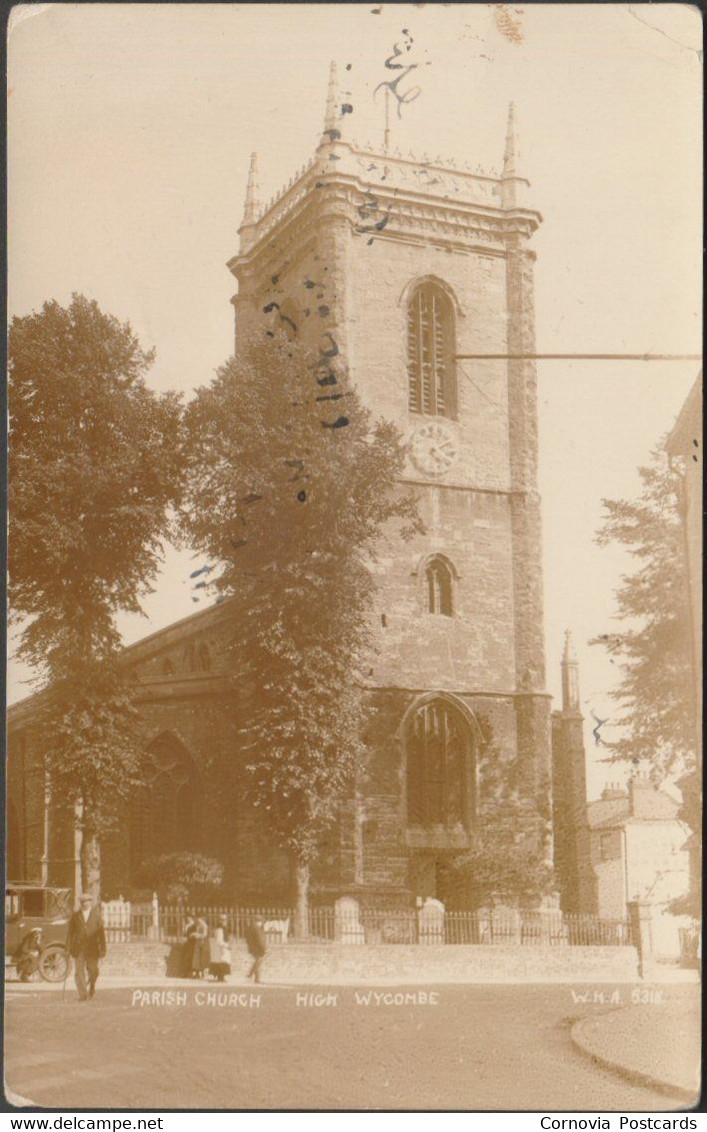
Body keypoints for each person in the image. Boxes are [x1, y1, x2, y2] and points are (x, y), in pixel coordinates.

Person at [66, 893, 107, 1001]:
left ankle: (92, 986)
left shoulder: (97, 916)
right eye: (83, 902)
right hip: (78, 948)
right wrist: (67, 948)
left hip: (92, 948)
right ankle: (83, 996)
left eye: (88, 901)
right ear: (81, 903)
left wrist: (103, 950)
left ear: (90, 903)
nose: (85, 904)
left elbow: (101, 935)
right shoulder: (75, 916)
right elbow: (70, 933)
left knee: (93, 971)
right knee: (79, 972)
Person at [244, 915, 267, 985]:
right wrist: (264, 948)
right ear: (259, 922)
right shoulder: (257, 929)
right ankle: (256, 979)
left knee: (257, 962)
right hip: (258, 948)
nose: (262, 924)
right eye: (262, 922)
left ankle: (250, 974)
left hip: (253, 947)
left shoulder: (251, 927)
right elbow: (260, 940)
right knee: (258, 962)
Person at [208, 914, 231, 982]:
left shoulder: (224, 928)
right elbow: (219, 940)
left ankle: (221, 976)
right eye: (223, 920)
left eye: (225, 919)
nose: (225, 921)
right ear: (220, 920)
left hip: (222, 948)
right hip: (220, 948)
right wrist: (226, 946)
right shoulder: (219, 929)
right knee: (221, 962)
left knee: (223, 962)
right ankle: (220, 976)